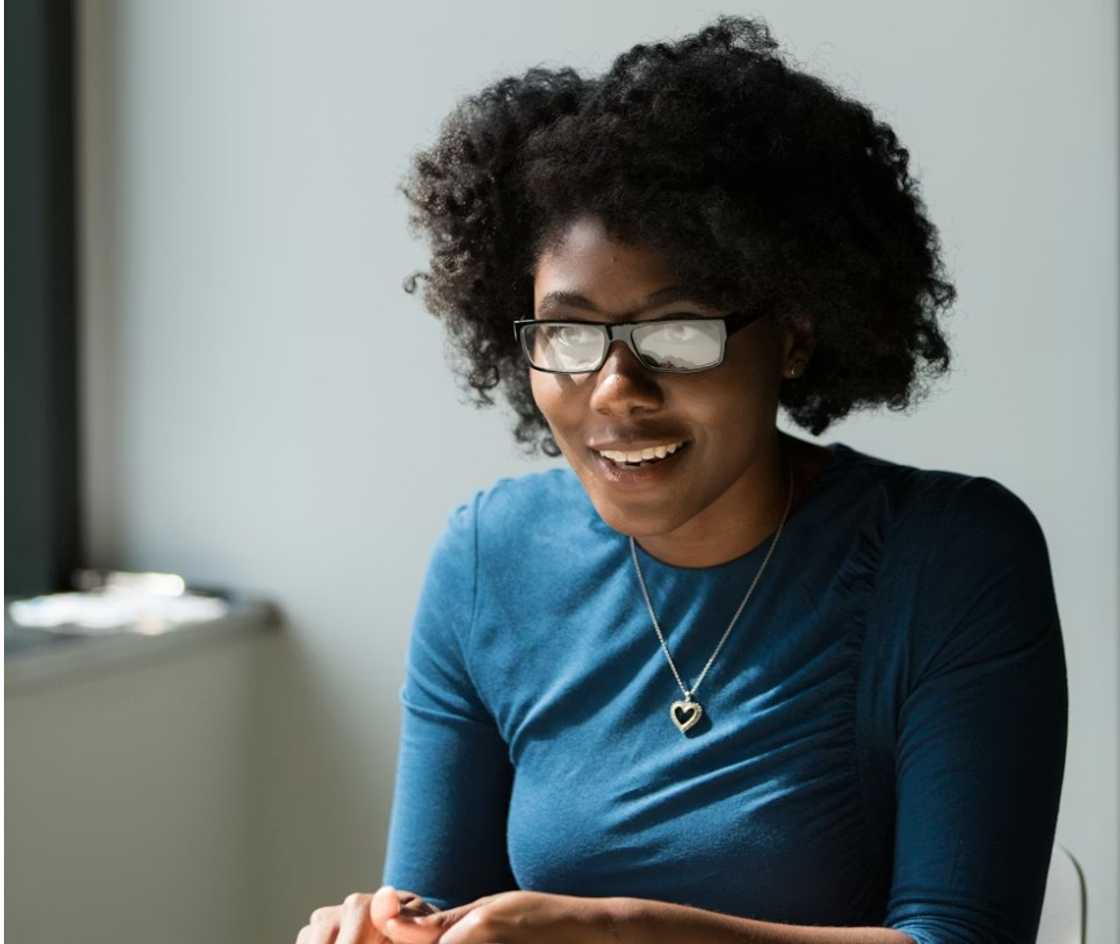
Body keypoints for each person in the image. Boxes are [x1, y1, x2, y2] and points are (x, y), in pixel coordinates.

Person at [295, 15, 1067, 944]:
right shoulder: (486, 560)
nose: (617, 391)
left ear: (792, 334)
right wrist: (390, 932)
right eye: (570, 336)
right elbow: (443, 910)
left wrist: (616, 928)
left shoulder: (950, 557)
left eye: (677, 332)